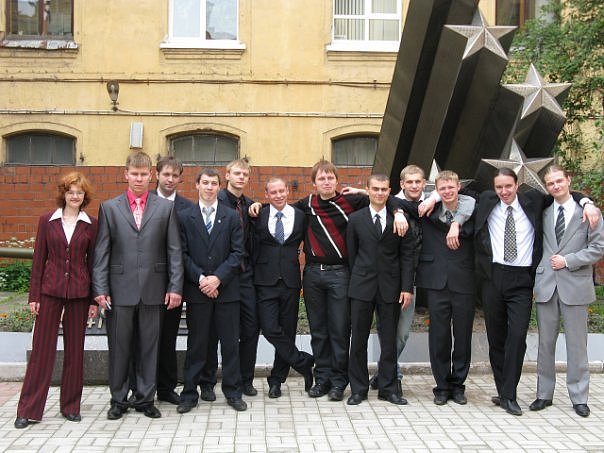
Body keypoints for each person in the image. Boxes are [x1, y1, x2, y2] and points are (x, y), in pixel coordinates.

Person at [473, 167, 598, 416]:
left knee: (517, 336)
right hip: (493, 277)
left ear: (517, 185)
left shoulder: (534, 201)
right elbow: (455, 194)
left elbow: (564, 194)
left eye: (508, 186)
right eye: (499, 187)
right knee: (496, 339)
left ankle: (510, 394)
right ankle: (504, 391)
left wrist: (587, 201)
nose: (504, 191)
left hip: (522, 279)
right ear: (493, 189)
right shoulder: (486, 200)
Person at [93, 151, 183, 420]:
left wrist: (175, 287)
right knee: (119, 348)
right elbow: (101, 253)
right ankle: (118, 400)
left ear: (151, 175)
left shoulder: (165, 208)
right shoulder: (109, 208)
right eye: (135, 174)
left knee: (149, 348)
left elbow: (174, 251)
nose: (139, 179)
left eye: (144, 174)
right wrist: (100, 289)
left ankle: (145, 399)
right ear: (126, 175)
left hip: (154, 290)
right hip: (119, 290)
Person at [14, 172, 98, 429]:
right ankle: (28, 409)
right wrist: (34, 296)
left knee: (75, 351)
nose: (75, 196)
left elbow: (93, 264)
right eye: (71, 192)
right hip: (50, 292)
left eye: (79, 192)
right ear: (63, 194)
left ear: (84, 196)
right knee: (41, 350)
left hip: (80, 294)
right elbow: (39, 259)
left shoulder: (91, 224)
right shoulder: (47, 221)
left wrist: (94, 300)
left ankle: (71, 406)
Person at [530, 165, 604, 417]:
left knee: (577, 344)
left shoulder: (589, 212)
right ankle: (544, 394)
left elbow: (598, 248)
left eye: (559, 181)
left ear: (568, 180)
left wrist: (569, 260)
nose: (556, 186)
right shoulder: (543, 212)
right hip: (547, 285)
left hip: (575, 284)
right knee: (545, 344)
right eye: (550, 183)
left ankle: (579, 397)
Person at [177, 168, 247, 413]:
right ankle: (189, 394)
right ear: (197, 185)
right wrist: (202, 279)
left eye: (213, 183)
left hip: (227, 291)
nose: (209, 187)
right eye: (205, 182)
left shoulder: (231, 217)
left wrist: (217, 279)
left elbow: (237, 253)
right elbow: (182, 254)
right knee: (197, 345)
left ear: (219, 186)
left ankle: (233, 392)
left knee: (230, 345)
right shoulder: (185, 217)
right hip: (198, 291)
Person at [346, 174, 415, 406]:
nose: (379, 193)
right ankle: (358, 389)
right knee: (358, 340)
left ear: (389, 191)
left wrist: (406, 287)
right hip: (361, 287)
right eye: (375, 189)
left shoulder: (400, 220)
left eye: (384, 189)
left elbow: (407, 256)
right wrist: (356, 280)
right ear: (367, 189)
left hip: (391, 288)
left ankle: (388, 388)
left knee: (389, 341)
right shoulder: (355, 219)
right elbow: (352, 254)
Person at [414, 170, 476, 405]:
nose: (447, 191)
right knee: (438, 336)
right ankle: (441, 386)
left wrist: (457, 224)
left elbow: (478, 196)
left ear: (459, 187)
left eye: (451, 187)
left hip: (464, 281)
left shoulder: (471, 209)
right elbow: (397, 201)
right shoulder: (428, 210)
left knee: (463, 336)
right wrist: (431, 199)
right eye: (442, 188)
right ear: (436, 191)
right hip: (436, 282)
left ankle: (458, 385)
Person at [200, 158, 260, 402]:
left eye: (245, 174)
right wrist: (215, 278)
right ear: (227, 176)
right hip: (219, 277)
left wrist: (258, 205)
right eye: (237, 173)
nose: (241, 177)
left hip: (244, 275)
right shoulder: (216, 201)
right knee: (213, 331)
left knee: (250, 328)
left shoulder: (249, 204)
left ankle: (245, 379)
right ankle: (207, 382)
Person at [252, 177, 314, 398]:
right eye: (273, 192)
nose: (278, 195)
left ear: (287, 191)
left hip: (290, 281)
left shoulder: (300, 216)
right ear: (267, 195)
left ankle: (277, 380)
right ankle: (303, 361)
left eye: (281, 191)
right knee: (269, 328)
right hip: (265, 281)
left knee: (287, 331)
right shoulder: (259, 214)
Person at [153, 155, 194, 404]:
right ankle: (141, 387)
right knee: (144, 339)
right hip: (145, 283)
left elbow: (186, 248)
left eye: (175, 175)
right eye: (166, 174)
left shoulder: (187, 208)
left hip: (174, 284)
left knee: (168, 337)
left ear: (180, 179)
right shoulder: (144, 202)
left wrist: (177, 285)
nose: (170, 179)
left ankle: (166, 388)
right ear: (157, 175)